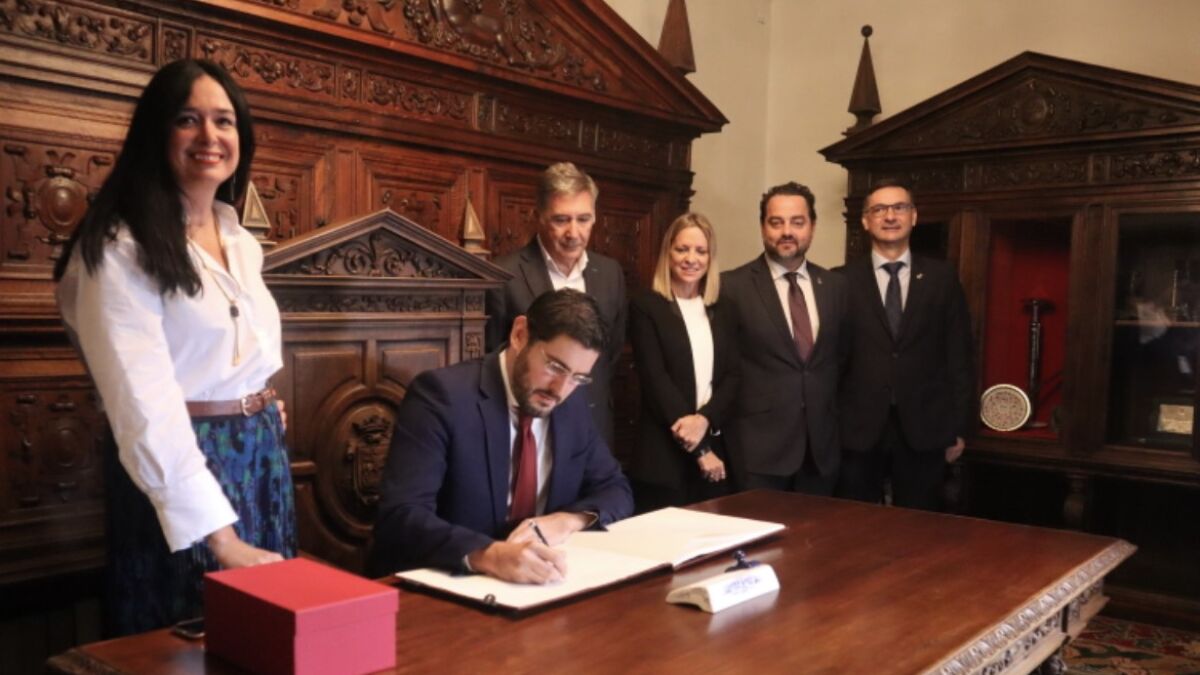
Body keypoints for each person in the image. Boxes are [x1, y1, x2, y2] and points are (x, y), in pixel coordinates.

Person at [54, 59, 294, 635]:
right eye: (188, 119)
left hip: (261, 458)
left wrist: (255, 402)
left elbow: (234, 355)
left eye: (224, 121)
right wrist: (221, 539)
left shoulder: (241, 239)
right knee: (187, 639)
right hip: (179, 470)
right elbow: (143, 404)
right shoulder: (118, 246)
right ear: (156, 133)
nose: (210, 136)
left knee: (265, 636)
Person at [371, 289, 633, 583]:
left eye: (578, 378)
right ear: (520, 335)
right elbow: (401, 516)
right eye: (555, 366)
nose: (560, 390)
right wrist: (489, 555)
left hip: (541, 585)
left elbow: (616, 489)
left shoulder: (571, 406)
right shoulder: (442, 397)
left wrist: (567, 521)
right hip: (451, 585)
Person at [835, 179, 974, 510]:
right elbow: (831, 360)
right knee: (853, 524)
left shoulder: (942, 278)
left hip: (925, 427)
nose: (890, 216)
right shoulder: (840, 281)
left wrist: (959, 427)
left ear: (914, 216)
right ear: (865, 221)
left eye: (899, 207)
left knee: (919, 526)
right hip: (857, 428)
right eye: (879, 209)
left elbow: (959, 354)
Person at [485, 162, 626, 446]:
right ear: (539, 217)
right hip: (528, 428)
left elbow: (610, 352)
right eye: (561, 220)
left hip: (594, 424)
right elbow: (493, 360)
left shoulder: (611, 273)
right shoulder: (504, 275)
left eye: (583, 219)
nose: (574, 232)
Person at [719, 182, 847, 495]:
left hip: (821, 451)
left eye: (797, 222)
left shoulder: (836, 286)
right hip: (758, 451)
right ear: (763, 227)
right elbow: (721, 369)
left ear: (812, 226)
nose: (787, 231)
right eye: (776, 222)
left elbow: (842, 361)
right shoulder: (731, 287)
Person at [628, 213, 738, 511]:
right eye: (682, 249)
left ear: (710, 257)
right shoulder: (645, 306)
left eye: (700, 251)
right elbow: (656, 380)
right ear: (668, 252)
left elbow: (733, 377)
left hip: (716, 450)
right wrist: (700, 449)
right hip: (662, 457)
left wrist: (704, 420)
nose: (691, 259)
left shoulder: (725, 309)